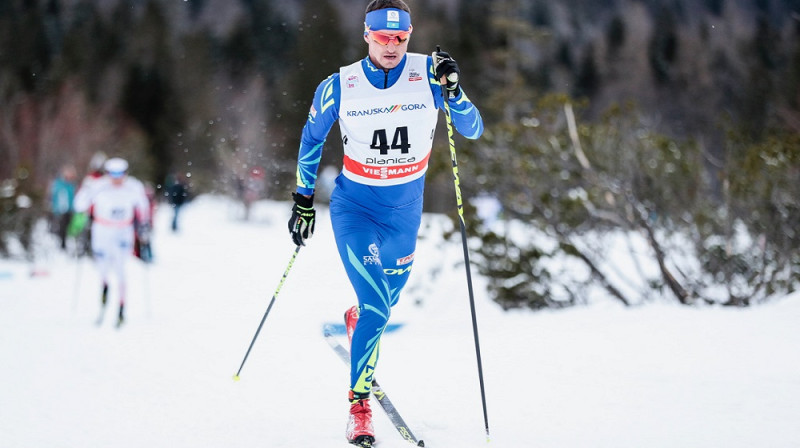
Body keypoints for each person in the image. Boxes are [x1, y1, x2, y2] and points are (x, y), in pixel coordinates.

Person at [287, 1, 483, 446]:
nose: (391, 46)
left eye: (400, 38)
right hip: (356, 209)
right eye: (382, 37)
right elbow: (311, 138)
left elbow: (472, 129)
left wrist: (455, 91)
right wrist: (302, 201)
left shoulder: (430, 75)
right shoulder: (339, 85)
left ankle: (358, 320)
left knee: (380, 306)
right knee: (378, 308)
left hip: (404, 215)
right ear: (366, 35)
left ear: (409, 35)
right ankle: (359, 407)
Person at [69, 157, 151, 327]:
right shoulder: (97, 186)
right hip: (102, 231)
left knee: (121, 268)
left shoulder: (134, 186)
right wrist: (85, 190)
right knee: (103, 269)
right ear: (107, 174)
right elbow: (79, 205)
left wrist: (143, 225)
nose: (117, 178)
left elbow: (143, 206)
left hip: (123, 231)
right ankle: (104, 299)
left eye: (120, 174)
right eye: (113, 174)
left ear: (126, 173)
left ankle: (121, 308)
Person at [48, 164, 77, 250]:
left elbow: (73, 198)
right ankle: (61, 244)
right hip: (59, 209)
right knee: (61, 226)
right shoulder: (58, 184)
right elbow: (54, 196)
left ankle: (64, 243)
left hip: (69, 209)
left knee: (67, 227)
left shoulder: (72, 185)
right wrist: (54, 207)